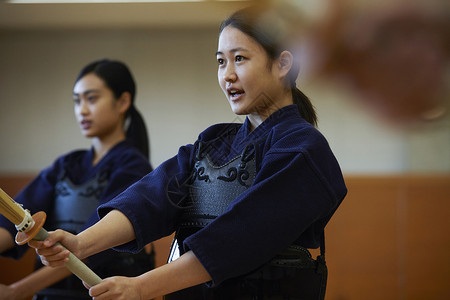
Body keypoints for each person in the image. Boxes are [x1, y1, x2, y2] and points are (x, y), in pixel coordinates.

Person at [30, 5, 347, 300]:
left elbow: (241, 238)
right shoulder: (212, 141)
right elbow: (151, 198)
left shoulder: (304, 148)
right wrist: (80, 243)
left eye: (240, 59)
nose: (227, 75)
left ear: (282, 64)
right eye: (221, 61)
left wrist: (142, 286)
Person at [0, 59, 155, 300]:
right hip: (50, 293)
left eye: (91, 99)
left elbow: (88, 245)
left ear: (123, 101)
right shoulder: (67, 164)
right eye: (77, 100)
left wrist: (15, 291)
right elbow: (15, 221)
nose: (81, 110)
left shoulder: (134, 166)